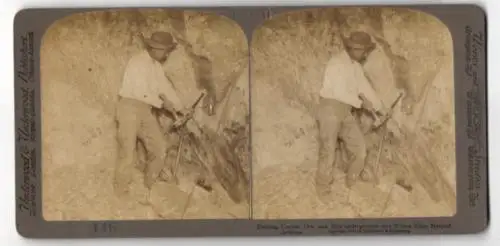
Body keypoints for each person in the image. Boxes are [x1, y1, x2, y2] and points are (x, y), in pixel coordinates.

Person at [114, 31, 194, 195]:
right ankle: (120, 193)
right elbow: (140, 92)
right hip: (129, 107)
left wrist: (181, 108)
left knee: (159, 148)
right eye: (165, 51)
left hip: (145, 110)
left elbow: (166, 89)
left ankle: (148, 188)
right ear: (156, 48)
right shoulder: (137, 62)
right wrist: (163, 104)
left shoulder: (156, 66)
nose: (166, 54)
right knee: (127, 152)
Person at [315, 31, 388, 197]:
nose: (364, 54)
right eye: (363, 51)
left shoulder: (355, 67)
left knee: (360, 149)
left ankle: (351, 182)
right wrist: (362, 104)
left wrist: (381, 109)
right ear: (355, 48)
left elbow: (365, 89)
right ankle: (323, 190)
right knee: (328, 151)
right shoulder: (337, 63)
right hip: (329, 109)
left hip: (345, 111)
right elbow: (340, 92)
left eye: (365, 51)